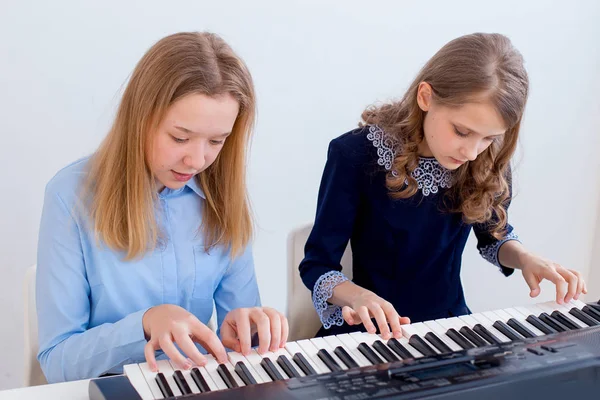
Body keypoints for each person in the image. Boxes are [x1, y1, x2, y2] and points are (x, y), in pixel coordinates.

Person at [299, 32, 587, 340]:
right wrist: (358, 296)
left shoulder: (486, 158)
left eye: (489, 137)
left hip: (449, 329)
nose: (472, 152)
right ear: (426, 97)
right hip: (372, 333)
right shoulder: (354, 155)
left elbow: (492, 239)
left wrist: (525, 258)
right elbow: (317, 266)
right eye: (462, 131)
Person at [36, 31, 288, 383]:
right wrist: (144, 324)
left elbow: (237, 349)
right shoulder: (71, 195)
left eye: (216, 141)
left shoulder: (221, 194)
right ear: (140, 117)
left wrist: (254, 329)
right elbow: (57, 362)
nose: (197, 159)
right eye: (180, 137)